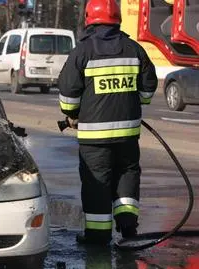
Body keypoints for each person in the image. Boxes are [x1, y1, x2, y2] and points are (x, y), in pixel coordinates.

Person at [57, 0, 158, 245]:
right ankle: (128, 227)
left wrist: (72, 113)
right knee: (127, 175)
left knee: (97, 182)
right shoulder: (134, 49)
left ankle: (98, 235)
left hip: (94, 137)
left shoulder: (82, 51)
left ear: (89, 18)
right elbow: (148, 89)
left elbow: (68, 95)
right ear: (117, 18)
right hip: (127, 135)